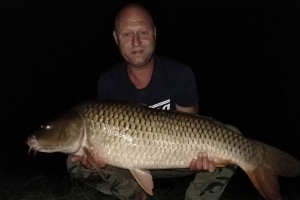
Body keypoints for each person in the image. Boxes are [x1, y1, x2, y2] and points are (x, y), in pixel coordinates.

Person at [66, 3, 237, 200]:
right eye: (127, 34)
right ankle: (136, 195)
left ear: (154, 33)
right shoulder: (108, 81)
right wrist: (94, 158)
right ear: (116, 38)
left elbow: (192, 125)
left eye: (143, 32)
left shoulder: (179, 73)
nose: (136, 42)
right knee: (75, 162)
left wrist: (201, 157)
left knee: (233, 141)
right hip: (127, 158)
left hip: (175, 157)